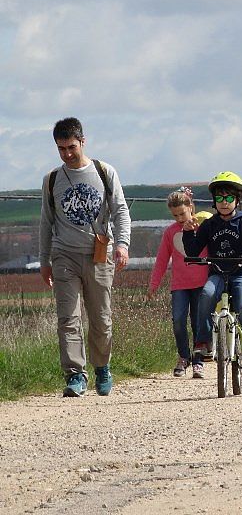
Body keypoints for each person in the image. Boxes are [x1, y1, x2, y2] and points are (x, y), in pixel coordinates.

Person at [39, 117, 131, 397]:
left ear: (83, 141)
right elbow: (46, 221)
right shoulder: (52, 179)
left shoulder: (105, 172)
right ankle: (75, 374)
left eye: (71, 147)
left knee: (101, 318)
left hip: (99, 254)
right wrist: (45, 260)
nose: (67, 153)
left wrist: (123, 244)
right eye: (61, 149)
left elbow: (120, 211)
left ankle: (102, 367)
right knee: (68, 318)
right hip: (64, 255)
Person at [183, 172, 242, 370]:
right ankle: (203, 342)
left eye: (229, 197)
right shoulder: (210, 224)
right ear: (214, 201)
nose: (224, 202)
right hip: (218, 272)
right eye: (220, 198)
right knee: (206, 294)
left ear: (237, 200)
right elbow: (193, 250)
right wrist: (188, 232)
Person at [147, 187, 211, 378]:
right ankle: (183, 356)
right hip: (180, 285)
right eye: (175, 215)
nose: (180, 218)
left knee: (198, 322)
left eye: (182, 213)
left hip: (201, 283)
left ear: (190, 207)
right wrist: (154, 285)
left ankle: (198, 361)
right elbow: (161, 260)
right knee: (178, 320)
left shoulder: (203, 227)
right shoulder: (170, 232)